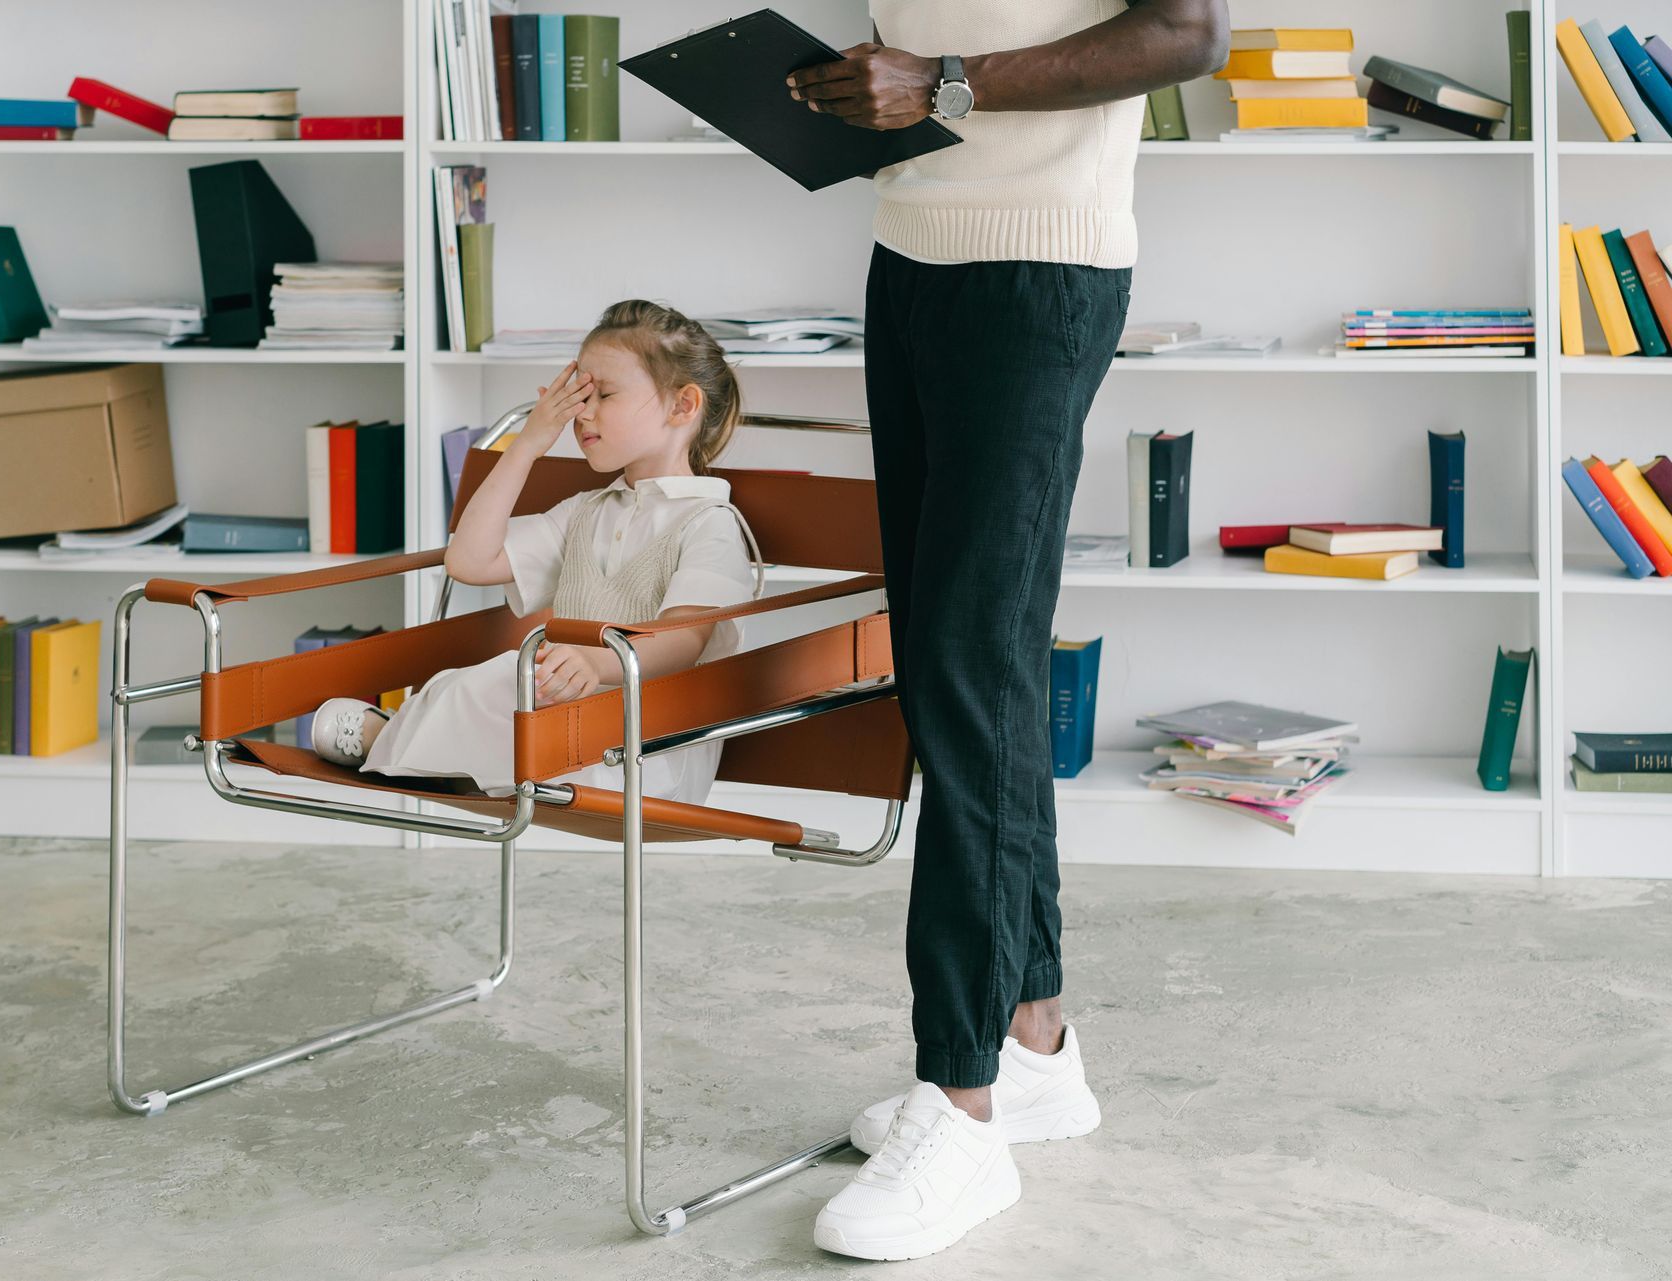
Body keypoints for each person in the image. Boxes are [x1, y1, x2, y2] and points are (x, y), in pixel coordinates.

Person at [786, 0, 1230, 1262]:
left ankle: (961, 1106)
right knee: (952, 659)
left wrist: (943, 81)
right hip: (910, 253)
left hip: (1041, 271)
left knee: (967, 670)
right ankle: (1031, 1046)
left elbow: (1192, 32)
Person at [306, 300, 765, 804]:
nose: (582, 413)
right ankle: (412, 745)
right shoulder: (587, 511)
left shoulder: (710, 524)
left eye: (604, 394)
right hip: (560, 722)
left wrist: (599, 665)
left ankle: (387, 740)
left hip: (648, 746)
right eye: (578, 395)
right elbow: (469, 561)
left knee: (498, 684)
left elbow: (683, 642)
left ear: (683, 406)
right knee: (476, 685)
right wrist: (528, 443)